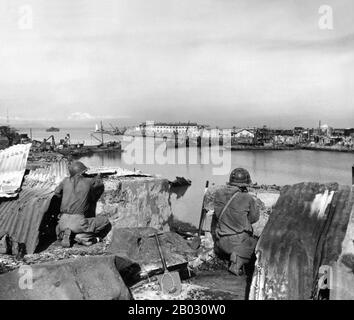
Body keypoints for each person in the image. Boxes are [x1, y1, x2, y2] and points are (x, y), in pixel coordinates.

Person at [213, 168, 259, 276]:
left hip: (220, 242)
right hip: (237, 243)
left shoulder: (219, 193)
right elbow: (254, 218)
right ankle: (237, 261)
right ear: (244, 185)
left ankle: (230, 255)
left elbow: (216, 214)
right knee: (255, 244)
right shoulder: (247, 198)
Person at [54, 161, 111, 247]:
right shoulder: (89, 181)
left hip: (62, 221)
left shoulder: (65, 181)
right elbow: (99, 184)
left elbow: (57, 192)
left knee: (68, 225)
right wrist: (98, 176)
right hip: (78, 222)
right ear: (81, 173)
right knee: (105, 221)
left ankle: (66, 233)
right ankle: (82, 237)